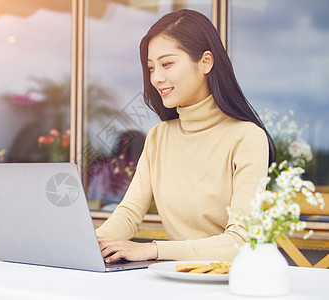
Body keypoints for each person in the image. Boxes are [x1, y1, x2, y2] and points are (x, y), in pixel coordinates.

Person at [96, 9, 276, 263]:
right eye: (151, 68)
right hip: (176, 277)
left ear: (206, 62)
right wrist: (89, 246)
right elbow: (128, 214)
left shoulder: (247, 138)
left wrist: (153, 250)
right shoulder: (159, 137)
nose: (157, 78)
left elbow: (242, 241)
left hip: (230, 282)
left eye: (167, 64)